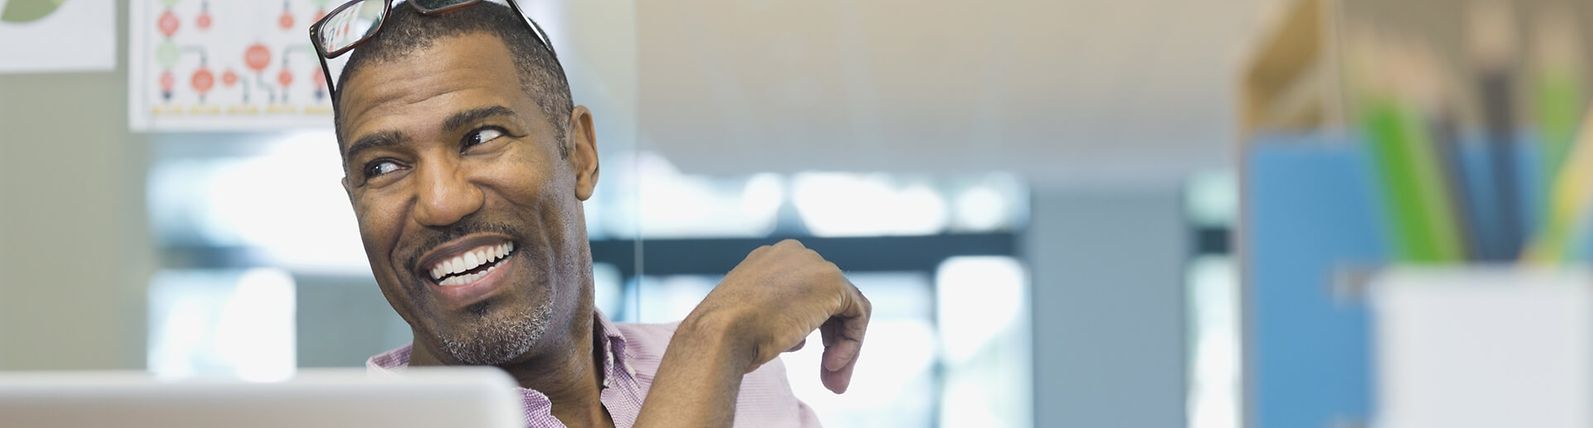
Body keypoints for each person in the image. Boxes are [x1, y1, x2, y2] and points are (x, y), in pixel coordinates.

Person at [314, 1, 872, 427]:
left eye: (481, 136)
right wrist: (711, 341)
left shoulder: (755, 390)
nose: (442, 202)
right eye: (384, 167)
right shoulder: (719, 352)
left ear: (580, 153)